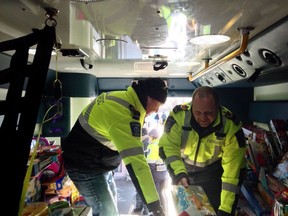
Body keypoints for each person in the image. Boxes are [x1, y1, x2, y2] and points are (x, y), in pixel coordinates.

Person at [61, 78, 168, 216]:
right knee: (107, 213)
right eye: (157, 105)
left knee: (110, 210)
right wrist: (155, 206)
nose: (156, 110)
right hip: (84, 166)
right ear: (148, 97)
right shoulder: (124, 115)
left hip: (99, 162)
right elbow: (138, 165)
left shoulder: (123, 98)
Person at [158, 86, 246, 216]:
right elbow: (168, 147)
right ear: (192, 105)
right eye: (198, 112)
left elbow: (232, 174)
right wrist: (178, 173)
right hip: (182, 171)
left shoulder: (231, 126)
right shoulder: (178, 116)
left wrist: (226, 210)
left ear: (218, 108)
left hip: (212, 176)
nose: (203, 117)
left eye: (208, 113)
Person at [146, 128, 168, 215]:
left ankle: (158, 212)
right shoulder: (162, 144)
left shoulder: (152, 146)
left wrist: (148, 176)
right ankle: (165, 211)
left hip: (155, 172)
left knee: (155, 195)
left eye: (149, 137)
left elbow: (150, 162)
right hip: (164, 172)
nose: (148, 138)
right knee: (162, 193)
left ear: (152, 137)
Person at [133, 127, 150, 214]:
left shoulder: (145, 142)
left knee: (141, 189)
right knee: (142, 189)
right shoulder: (148, 141)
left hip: (143, 168)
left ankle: (143, 208)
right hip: (144, 168)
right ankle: (142, 208)